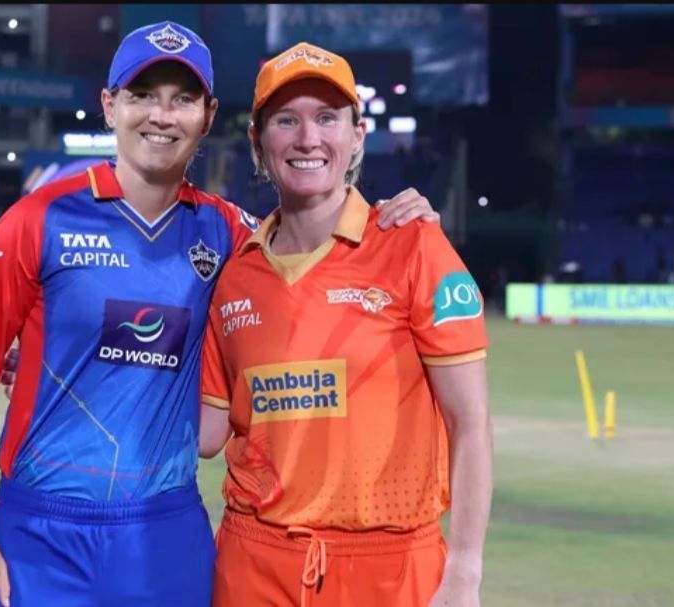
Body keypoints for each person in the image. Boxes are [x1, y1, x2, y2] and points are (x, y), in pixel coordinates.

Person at [0, 22, 440, 607]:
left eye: (182, 99)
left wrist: (391, 218)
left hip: (165, 530)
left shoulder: (231, 234)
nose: (161, 115)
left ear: (208, 115)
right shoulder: (36, 221)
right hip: (39, 533)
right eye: (143, 95)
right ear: (109, 105)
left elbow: (318, 252)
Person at [198, 43, 492, 607]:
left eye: (327, 118)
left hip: (393, 568)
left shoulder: (413, 245)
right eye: (287, 120)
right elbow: (207, 434)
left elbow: (471, 423)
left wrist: (465, 571)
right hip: (254, 563)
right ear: (258, 142)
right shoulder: (235, 273)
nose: (308, 138)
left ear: (356, 136)